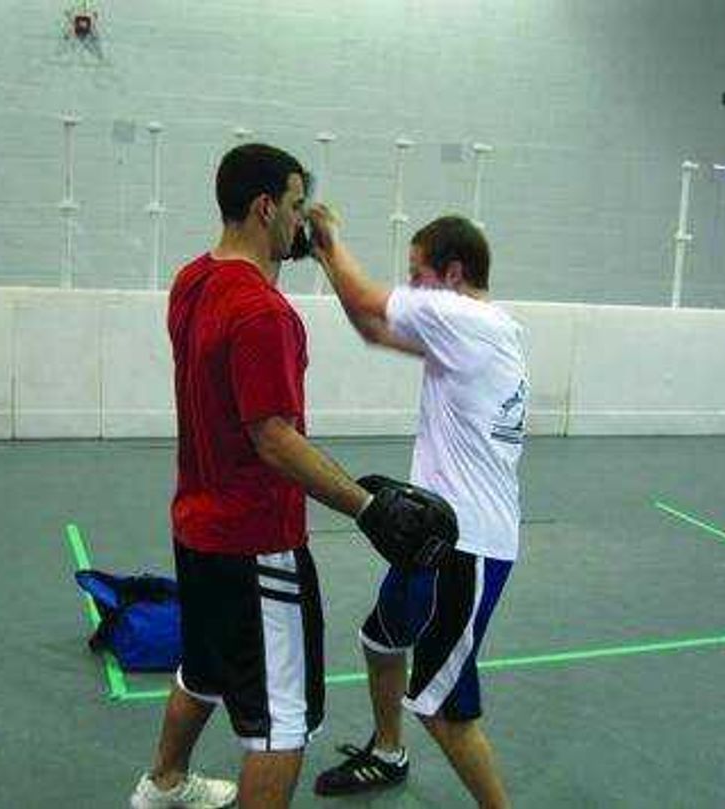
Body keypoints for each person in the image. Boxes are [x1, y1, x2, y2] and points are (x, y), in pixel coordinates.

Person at [129, 144, 456, 809]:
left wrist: (309, 245)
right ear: (265, 206)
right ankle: (168, 782)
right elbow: (273, 437)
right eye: (297, 206)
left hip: (196, 526)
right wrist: (368, 507)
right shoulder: (265, 314)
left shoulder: (193, 280)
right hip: (256, 541)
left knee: (208, 665)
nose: (303, 221)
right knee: (280, 724)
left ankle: (162, 782)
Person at [307, 208, 527, 809]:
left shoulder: (459, 315)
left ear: (453, 273)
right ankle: (386, 753)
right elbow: (374, 330)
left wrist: (329, 240)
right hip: (431, 539)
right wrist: (325, 260)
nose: (411, 285)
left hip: (468, 547)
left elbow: (364, 296)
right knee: (382, 641)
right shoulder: (481, 326)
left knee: (447, 713)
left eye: (418, 273)